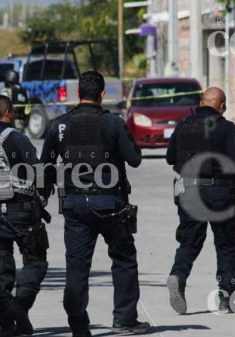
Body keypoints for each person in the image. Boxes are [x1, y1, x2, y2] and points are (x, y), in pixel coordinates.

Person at [41, 71, 150, 336]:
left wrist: (41, 199)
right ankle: (124, 320)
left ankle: (79, 325)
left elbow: (44, 166)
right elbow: (135, 159)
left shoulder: (59, 125)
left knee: (77, 267)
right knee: (124, 259)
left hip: (75, 206)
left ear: (78, 93)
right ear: (102, 95)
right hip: (109, 203)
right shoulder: (112, 123)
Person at [165, 87, 235, 315]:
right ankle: (226, 299)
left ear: (201, 102)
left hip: (190, 193)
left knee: (188, 243)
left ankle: (178, 276)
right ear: (222, 106)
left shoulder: (183, 125)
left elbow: (169, 158)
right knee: (225, 246)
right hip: (220, 194)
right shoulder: (226, 127)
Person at [0, 95, 49, 336]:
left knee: (0, 268)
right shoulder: (17, 139)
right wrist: (43, 194)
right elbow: (38, 172)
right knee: (36, 261)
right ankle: (19, 307)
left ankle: (7, 326)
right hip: (21, 214)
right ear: (9, 114)